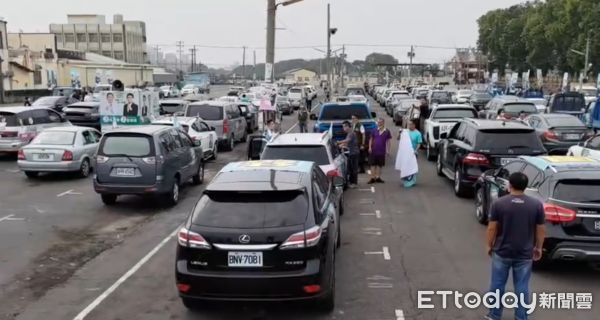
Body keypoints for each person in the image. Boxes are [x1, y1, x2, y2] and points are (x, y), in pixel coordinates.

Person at [485, 172, 545, 320]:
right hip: (524, 253)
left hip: (502, 251)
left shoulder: (499, 203)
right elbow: (540, 229)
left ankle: (494, 315)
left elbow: (492, 228)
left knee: (497, 284)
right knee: (522, 287)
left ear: (509, 185)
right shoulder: (536, 205)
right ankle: (521, 316)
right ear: (526, 187)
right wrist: (538, 247)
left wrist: (489, 245)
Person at [368, 118, 392, 184]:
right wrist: (370, 147)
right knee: (372, 164)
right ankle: (372, 178)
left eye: (381, 122)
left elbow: (388, 141)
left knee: (379, 165)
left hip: (382, 151)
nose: (379, 123)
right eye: (378, 122)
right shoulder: (374, 130)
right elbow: (371, 139)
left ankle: (378, 177)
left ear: (383, 123)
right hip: (373, 150)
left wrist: (388, 150)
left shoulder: (387, 131)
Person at [337, 121, 359, 188]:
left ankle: (354, 183)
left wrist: (338, 142)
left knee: (353, 169)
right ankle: (351, 182)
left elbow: (347, 140)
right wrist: (341, 145)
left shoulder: (351, 133)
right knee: (350, 168)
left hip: (354, 153)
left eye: (344, 127)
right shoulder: (349, 133)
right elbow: (347, 143)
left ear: (347, 127)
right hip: (351, 153)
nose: (343, 128)